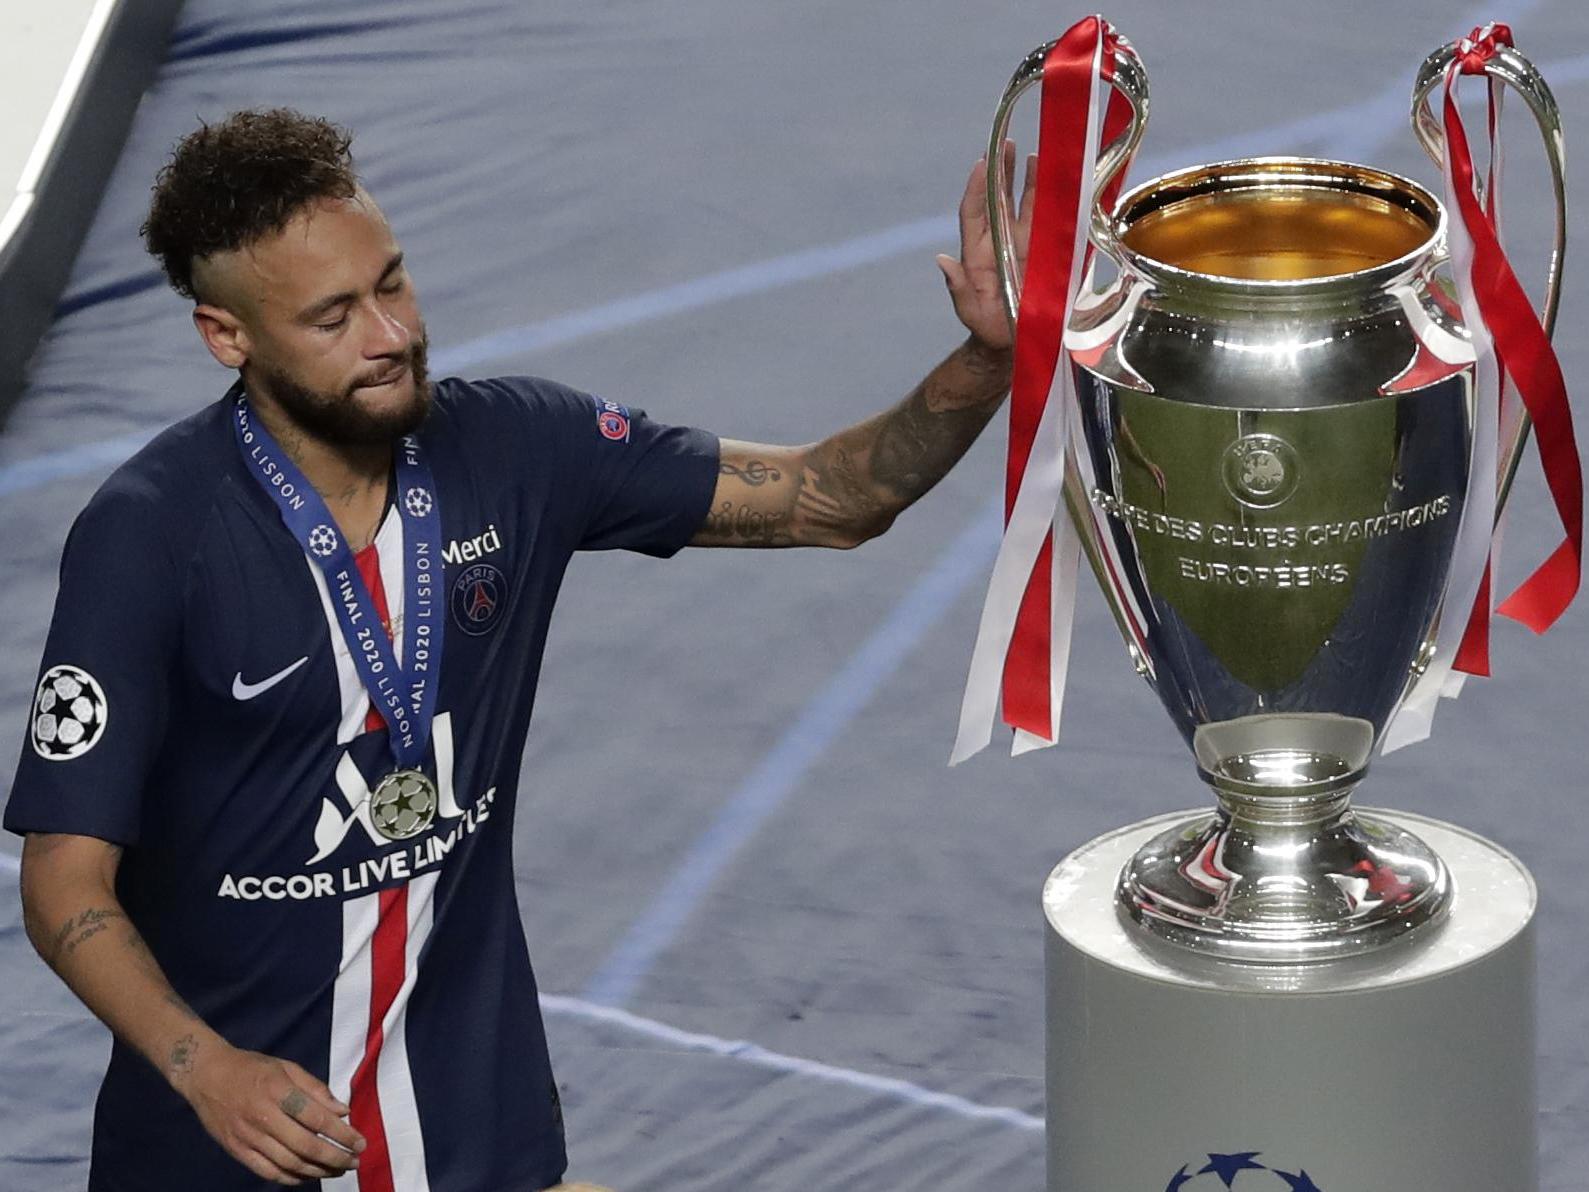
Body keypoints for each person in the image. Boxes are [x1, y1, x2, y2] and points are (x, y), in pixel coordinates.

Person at [5, 108, 1033, 1191]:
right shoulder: (152, 537)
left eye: (392, 283)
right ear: (229, 336)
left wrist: (984, 357)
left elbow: (832, 496)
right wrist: (203, 1065)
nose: (390, 334)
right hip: (234, 1148)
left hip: (469, 1131)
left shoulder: (517, 450)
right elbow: (65, 883)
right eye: (332, 316)